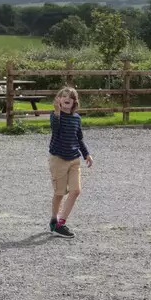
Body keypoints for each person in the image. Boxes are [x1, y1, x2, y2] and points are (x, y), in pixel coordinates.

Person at [48, 86, 93, 238]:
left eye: (71, 97)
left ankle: (61, 224)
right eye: (64, 96)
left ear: (74, 102)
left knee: (75, 190)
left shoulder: (76, 118)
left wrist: (86, 154)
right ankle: (54, 220)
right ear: (59, 100)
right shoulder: (55, 116)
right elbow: (55, 129)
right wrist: (56, 112)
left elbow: (79, 138)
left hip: (74, 159)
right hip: (58, 159)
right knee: (59, 193)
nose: (67, 98)